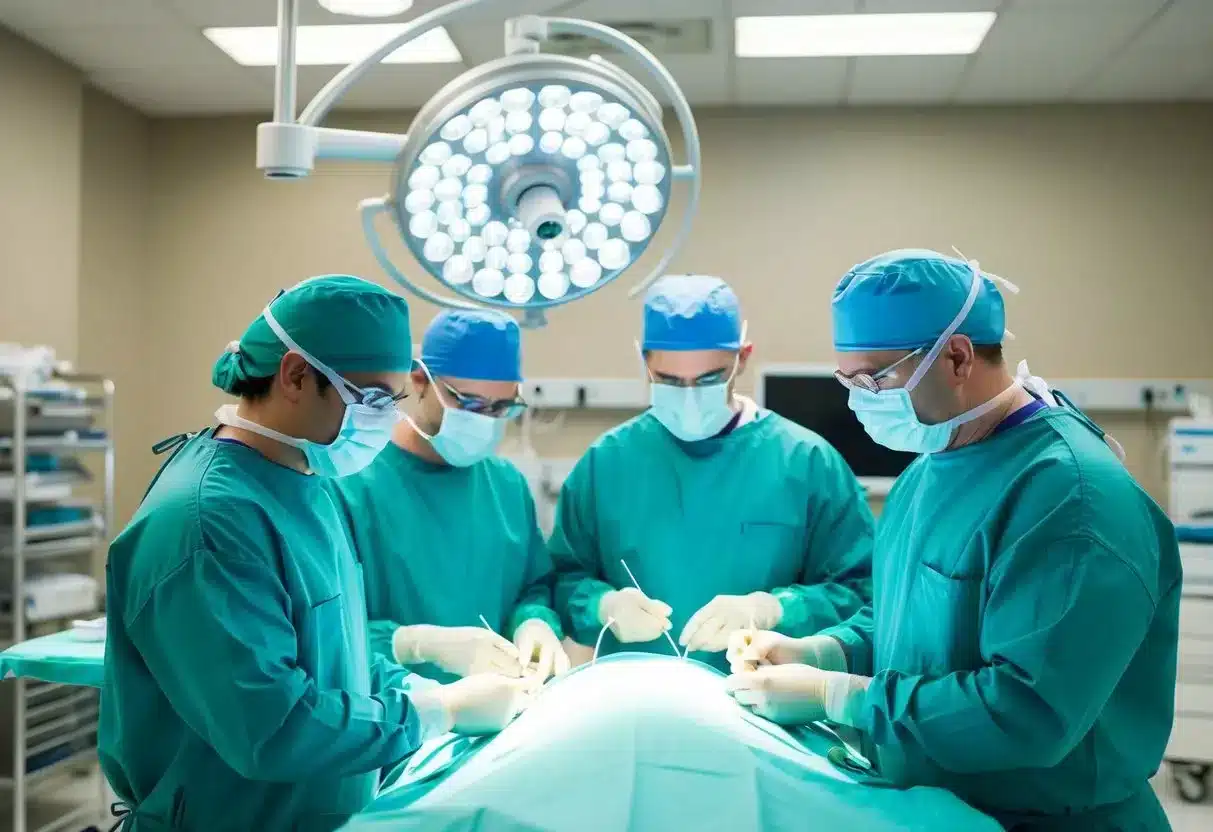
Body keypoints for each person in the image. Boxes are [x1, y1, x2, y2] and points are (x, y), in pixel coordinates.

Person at [727, 249, 1181, 831]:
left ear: (957, 357)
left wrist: (838, 696)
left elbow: (1028, 710)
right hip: (941, 809)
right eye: (846, 380)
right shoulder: (930, 468)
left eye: (873, 379)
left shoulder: (1071, 498)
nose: (857, 399)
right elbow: (905, 618)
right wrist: (822, 651)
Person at [100, 276, 531, 832]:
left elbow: (332, 656)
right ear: (297, 375)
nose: (385, 417)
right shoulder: (208, 520)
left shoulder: (306, 479)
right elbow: (270, 727)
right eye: (374, 397)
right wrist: (436, 713)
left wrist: (418, 689)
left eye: (394, 398)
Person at [549, 274, 874, 671]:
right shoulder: (607, 463)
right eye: (669, 381)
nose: (689, 395)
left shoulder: (807, 462)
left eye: (709, 379)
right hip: (634, 707)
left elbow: (861, 591)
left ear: (744, 357)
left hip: (763, 707)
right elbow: (562, 581)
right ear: (645, 363)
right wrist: (604, 606)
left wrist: (774, 609)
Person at [328, 309, 569, 685]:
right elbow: (323, 632)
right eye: (468, 403)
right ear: (419, 380)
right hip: (389, 723)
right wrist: (413, 644)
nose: (485, 420)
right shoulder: (349, 483)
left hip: (496, 723)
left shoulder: (506, 486)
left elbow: (532, 588)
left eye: (501, 407)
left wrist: (533, 622)